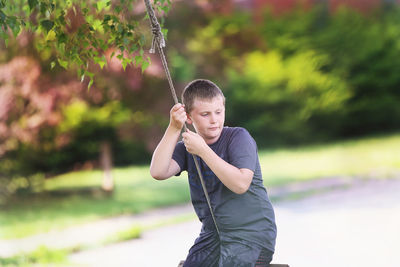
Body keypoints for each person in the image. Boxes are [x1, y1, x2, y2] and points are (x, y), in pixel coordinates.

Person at [150, 79, 277, 267]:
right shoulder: (188, 148)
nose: (214, 120)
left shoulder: (238, 137)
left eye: (218, 112)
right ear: (189, 117)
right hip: (213, 234)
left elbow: (241, 184)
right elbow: (158, 171)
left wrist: (203, 151)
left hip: (251, 233)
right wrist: (174, 128)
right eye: (205, 114)